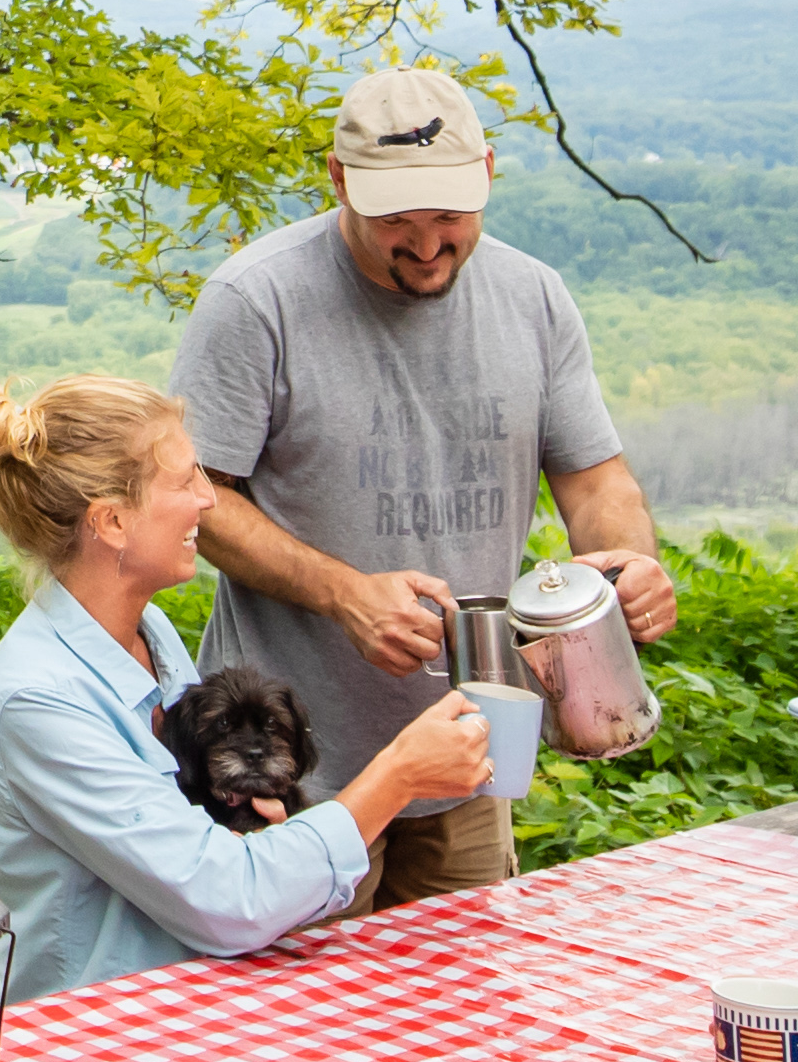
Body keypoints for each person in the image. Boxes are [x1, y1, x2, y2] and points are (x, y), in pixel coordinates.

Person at [169, 66, 679, 906]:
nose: (428, 242)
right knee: (303, 1025)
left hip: (472, 755)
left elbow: (594, 480)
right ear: (338, 180)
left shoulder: (534, 298)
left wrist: (625, 564)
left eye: (449, 214)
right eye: (396, 220)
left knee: (466, 1012)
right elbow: (196, 497)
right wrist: (343, 594)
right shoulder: (256, 300)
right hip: (287, 774)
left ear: (486, 171)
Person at [0, 373, 495, 1007]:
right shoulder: (37, 701)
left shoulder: (148, 633)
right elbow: (226, 896)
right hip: (101, 1035)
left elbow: (207, 843)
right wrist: (398, 777)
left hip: (198, 1011)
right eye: (185, 481)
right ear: (112, 522)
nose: (209, 501)